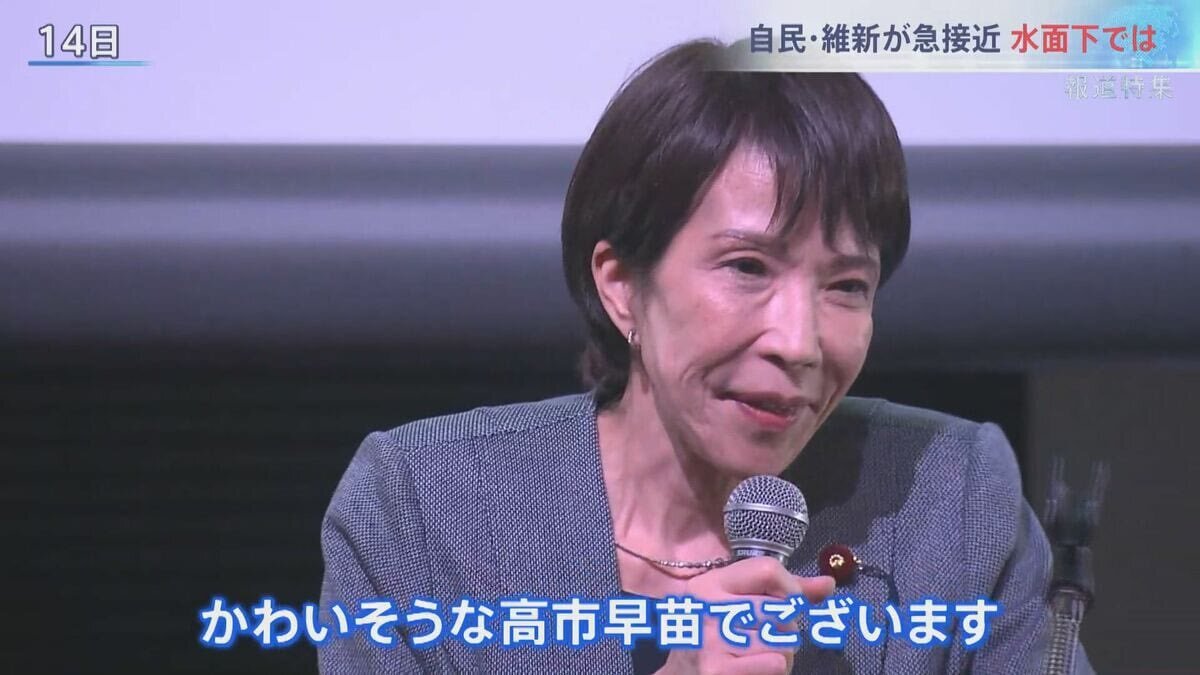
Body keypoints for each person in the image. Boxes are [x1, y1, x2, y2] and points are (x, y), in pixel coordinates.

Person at [319, 38, 1093, 674]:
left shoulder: (953, 501)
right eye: (748, 267)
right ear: (623, 284)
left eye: (846, 285)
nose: (798, 342)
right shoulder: (423, 509)